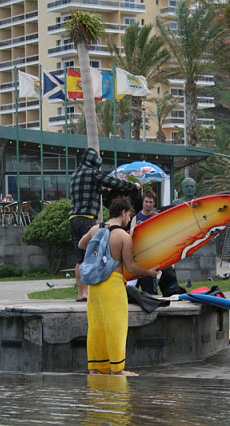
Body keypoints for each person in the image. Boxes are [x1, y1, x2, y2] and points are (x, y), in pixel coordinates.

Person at [78, 196, 158, 376]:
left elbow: (81, 244)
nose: (129, 220)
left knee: (96, 327)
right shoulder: (123, 236)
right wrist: (150, 272)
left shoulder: (94, 229)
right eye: (129, 216)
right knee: (116, 328)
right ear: (123, 212)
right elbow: (130, 267)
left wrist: (98, 255)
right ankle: (116, 370)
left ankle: (95, 368)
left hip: (94, 287)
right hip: (113, 286)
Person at [69, 147, 139, 302]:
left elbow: (92, 189)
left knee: (80, 257)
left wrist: (104, 190)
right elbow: (113, 182)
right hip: (87, 217)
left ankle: (81, 293)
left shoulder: (74, 175)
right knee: (92, 254)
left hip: (73, 219)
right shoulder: (93, 173)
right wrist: (132, 186)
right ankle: (90, 289)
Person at [129, 191, 159, 294]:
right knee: (131, 290)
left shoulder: (157, 217)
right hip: (137, 258)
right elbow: (131, 237)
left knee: (150, 290)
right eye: (146, 201)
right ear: (143, 202)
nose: (148, 204)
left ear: (154, 203)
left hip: (151, 258)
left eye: (151, 202)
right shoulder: (136, 218)